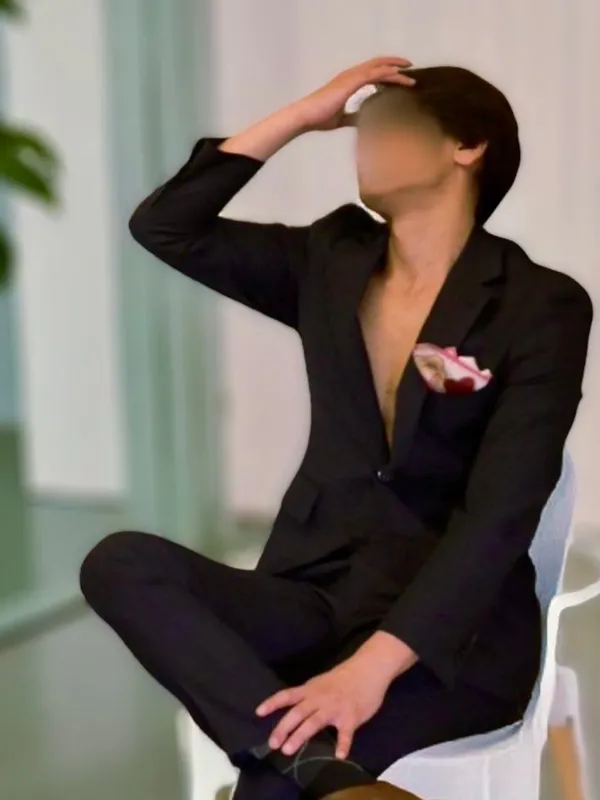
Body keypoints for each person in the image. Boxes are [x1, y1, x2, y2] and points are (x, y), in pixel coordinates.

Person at [79, 57, 593, 800]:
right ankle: (312, 765)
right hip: (313, 598)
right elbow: (165, 225)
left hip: (450, 639)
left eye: (390, 126)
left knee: (271, 789)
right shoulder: (329, 260)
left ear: (467, 145)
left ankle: (296, 767)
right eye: (360, 128)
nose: (365, 142)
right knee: (120, 562)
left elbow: (500, 516)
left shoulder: (541, 305)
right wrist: (300, 116)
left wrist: (367, 672)